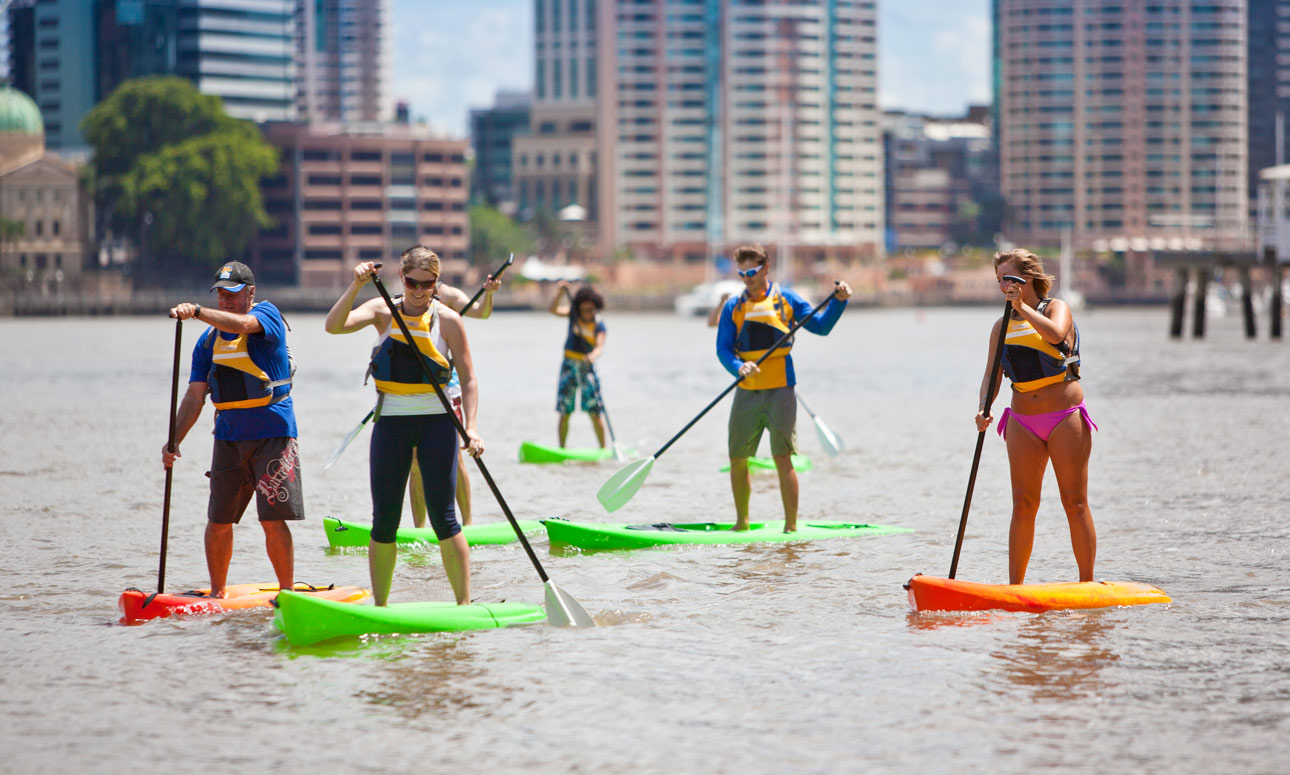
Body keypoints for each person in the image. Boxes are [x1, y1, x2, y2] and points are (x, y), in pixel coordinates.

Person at [324, 246, 483, 606]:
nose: (418, 290)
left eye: (427, 284)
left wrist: (471, 428)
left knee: (444, 519)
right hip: (391, 424)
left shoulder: (449, 321)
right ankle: (381, 607)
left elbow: (470, 380)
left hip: (438, 424)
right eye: (412, 282)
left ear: (437, 283)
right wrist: (356, 285)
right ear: (401, 276)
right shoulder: (382, 311)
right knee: (384, 522)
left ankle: (464, 605)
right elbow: (333, 326)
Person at [163, 261, 301, 598]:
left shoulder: (267, 315)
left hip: (273, 434)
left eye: (233, 293)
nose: (225, 299)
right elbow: (195, 396)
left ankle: (288, 594)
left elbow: (243, 324)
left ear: (250, 293)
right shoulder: (207, 344)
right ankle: (217, 594)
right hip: (228, 438)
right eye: (220, 294)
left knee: (270, 519)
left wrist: (196, 311)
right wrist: (173, 441)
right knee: (219, 520)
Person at [976, 248, 1097, 585]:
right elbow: (992, 375)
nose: (1003, 285)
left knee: (1074, 502)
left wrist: (1023, 308)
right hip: (1022, 421)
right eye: (999, 280)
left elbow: (1056, 335)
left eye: (1010, 278)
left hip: (1064, 417)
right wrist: (984, 407)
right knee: (1023, 504)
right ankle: (1015, 588)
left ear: (1028, 279)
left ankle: (1086, 584)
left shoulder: (1056, 308)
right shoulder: (1001, 326)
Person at [715, 244, 852, 532]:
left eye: (751, 271)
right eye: (742, 273)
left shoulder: (786, 299)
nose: (747, 278)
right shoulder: (733, 307)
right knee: (738, 458)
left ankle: (791, 528)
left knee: (782, 458)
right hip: (747, 390)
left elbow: (821, 326)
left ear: (765, 268)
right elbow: (723, 349)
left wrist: (838, 302)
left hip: (781, 390)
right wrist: (738, 367)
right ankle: (742, 524)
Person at [406, 272, 502, 529]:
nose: (418, 285)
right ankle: (419, 530)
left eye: (425, 279)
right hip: (414, 387)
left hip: (448, 384)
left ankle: (468, 524)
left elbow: (481, 312)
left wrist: (489, 292)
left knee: (455, 457)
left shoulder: (448, 295)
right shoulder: (403, 299)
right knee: (414, 462)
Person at [549, 281, 607, 448]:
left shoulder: (599, 324)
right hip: (568, 366)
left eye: (591, 310)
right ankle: (562, 449)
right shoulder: (573, 315)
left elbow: (599, 347)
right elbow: (553, 310)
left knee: (594, 411)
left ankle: (603, 448)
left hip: (587, 367)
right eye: (584, 310)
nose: (587, 313)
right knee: (564, 411)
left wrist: (593, 355)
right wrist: (560, 293)